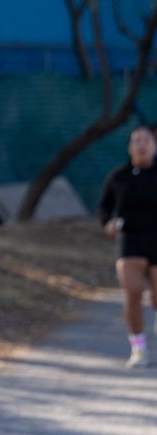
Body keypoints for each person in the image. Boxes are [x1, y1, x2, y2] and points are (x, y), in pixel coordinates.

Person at [98, 126, 157, 369]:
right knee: (132, 292)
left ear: (155, 145)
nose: (141, 145)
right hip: (131, 239)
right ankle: (139, 349)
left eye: (146, 140)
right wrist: (108, 224)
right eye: (136, 140)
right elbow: (104, 208)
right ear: (129, 147)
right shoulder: (118, 176)